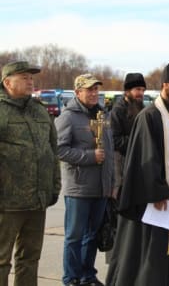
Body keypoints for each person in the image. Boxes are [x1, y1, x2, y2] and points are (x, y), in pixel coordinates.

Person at [106, 62, 169, 286]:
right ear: (165, 84)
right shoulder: (150, 116)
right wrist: (157, 192)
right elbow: (145, 157)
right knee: (153, 260)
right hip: (158, 203)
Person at [0, 61, 61, 286]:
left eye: (31, 77)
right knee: (1, 261)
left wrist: (54, 186)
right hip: (7, 202)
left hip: (37, 200)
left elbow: (52, 151)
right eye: (24, 77)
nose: (30, 81)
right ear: (7, 82)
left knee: (30, 258)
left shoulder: (39, 110)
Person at [55, 74, 114, 286]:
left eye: (96, 89)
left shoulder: (102, 115)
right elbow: (59, 149)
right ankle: (70, 278)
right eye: (89, 90)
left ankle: (87, 275)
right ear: (78, 92)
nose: (94, 93)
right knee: (74, 236)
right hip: (79, 188)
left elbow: (109, 151)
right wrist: (89, 157)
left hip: (100, 188)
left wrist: (112, 183)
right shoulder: (68, 117)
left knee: (92, 236)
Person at [110, 72, 147, 200]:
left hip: (140, 167)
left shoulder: (142, 108)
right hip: (122, 169)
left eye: (142, 90)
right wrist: (139, 141)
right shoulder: (117, 111)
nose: (140, 93)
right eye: (137, 89)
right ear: (127, 91)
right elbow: (114, 140)